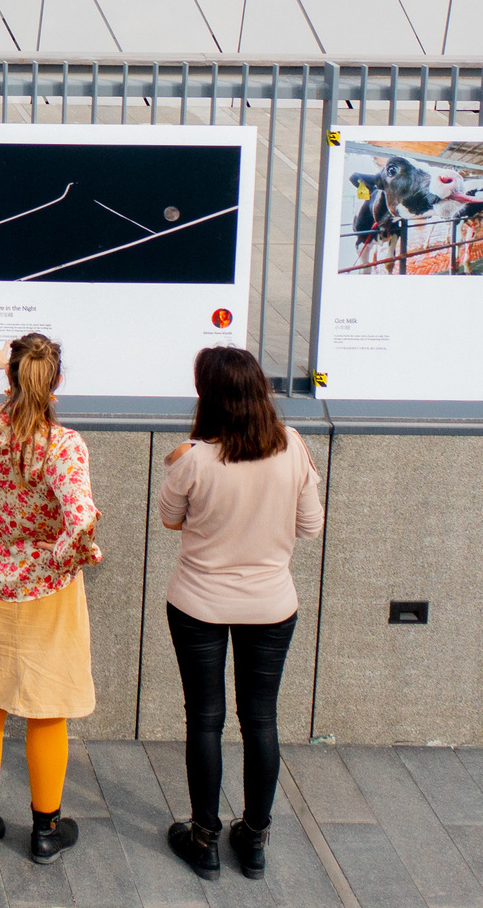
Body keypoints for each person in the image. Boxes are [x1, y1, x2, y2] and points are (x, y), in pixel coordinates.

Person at [158, 345, 325, 882]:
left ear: (208, 397)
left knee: (205, 719)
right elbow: (311, 526)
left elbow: (170, 519)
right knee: (261, 719)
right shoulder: (293, 446)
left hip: (198, 603)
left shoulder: (192, 459)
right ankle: (253, 840)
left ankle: (203, 839)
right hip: (272, 605)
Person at [0, 333, 100, 867]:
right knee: (48, 710)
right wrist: (68, 555)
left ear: (12, 378)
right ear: (55, 384)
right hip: (45, 593)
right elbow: (81, 516)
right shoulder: (63, 446)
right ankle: (45, 830)